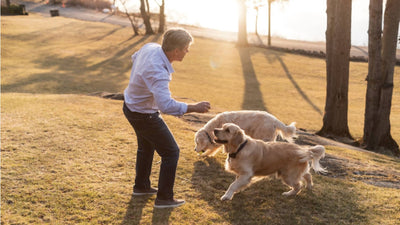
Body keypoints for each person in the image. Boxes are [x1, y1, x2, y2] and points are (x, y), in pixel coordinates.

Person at [123, 28, 210, 209]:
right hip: (143, 114)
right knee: (171, 152)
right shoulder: (158, 72)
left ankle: (141, 187)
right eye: (186, 48)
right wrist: (194, 107)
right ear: (176, 51)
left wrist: (143, 85)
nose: (188, 51)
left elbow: (134, 58)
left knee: (146, 147)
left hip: (131, 107)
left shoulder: (150, 47)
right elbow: (166, 106)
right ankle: (164, 198)